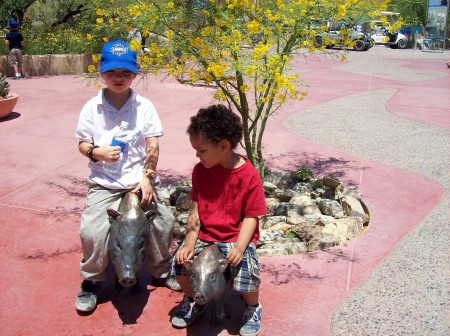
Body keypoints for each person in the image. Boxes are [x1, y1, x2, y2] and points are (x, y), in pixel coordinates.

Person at [74, 40, 180, 313]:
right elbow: (82, 143)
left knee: (161, 223)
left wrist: (147, 177)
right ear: (102, 73)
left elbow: (153, 143)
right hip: (105, 183)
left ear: (134, 74)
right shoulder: (92, 107)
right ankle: (93, 280)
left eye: (124, 72)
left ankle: (160, 269)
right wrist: (96, 152)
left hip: (138, 180)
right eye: (111, 73)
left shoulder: (144, 107)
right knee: (93, 230)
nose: (117, 78)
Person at [170, 105, 267, 336]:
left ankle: (252, 307)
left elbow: (251, 217)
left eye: (201, 150)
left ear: (223, 146)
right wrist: (190, 243)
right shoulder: (200, 171)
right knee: (179, 264)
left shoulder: (248, 175)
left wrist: (241, 247)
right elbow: (196, 211)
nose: (197, 155)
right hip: (205, 235)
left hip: (235, 237)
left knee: (246, 270)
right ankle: (193, 300)